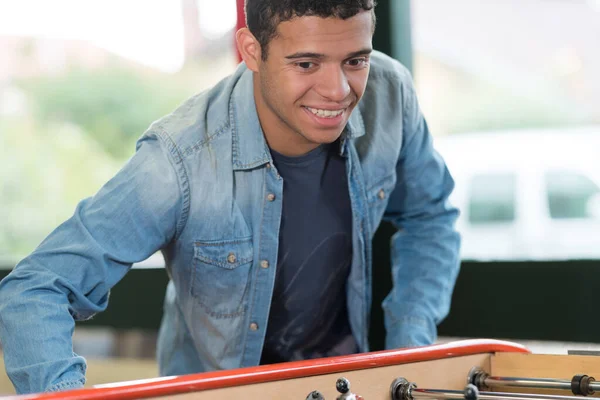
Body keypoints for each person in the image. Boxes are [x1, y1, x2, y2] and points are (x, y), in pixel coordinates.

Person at [0, 0, 461, 394]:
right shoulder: (178, 161)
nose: (338, 91)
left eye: (355, 61)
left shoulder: (391, 92)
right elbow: (35, 290)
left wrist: (410, 348)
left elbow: (430, 215)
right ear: (251, 51)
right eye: (306, 64)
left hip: (346, 387)